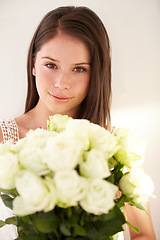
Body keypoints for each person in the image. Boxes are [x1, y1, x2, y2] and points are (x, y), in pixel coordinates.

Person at [0, 6, 156, 240]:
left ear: (96, 75)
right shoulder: (3, 140)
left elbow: (143, 234)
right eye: (50, 65)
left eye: (79, 69)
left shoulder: (117, 149)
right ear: (33, 63)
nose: (62, 83)